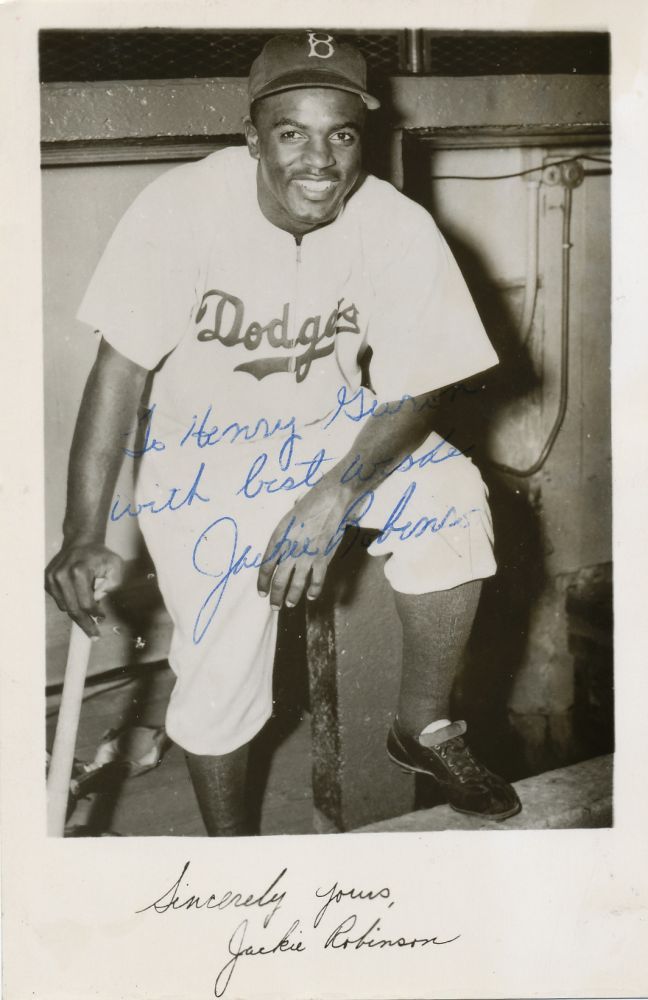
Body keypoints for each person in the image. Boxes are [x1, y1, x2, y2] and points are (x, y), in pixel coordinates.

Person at [45, 31, 521, 834]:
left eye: (340, 132)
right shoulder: (180, 207)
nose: (320, 159)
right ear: (252, 138)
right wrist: (83, 531)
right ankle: (235, 859)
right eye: (292, 132)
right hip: (203, 454)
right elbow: (119, 370)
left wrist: (331, 497)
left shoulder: (392, 223)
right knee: (221, 674)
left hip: (334, 432)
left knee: (453, 497)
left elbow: (421, 383)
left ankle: (422, 725)